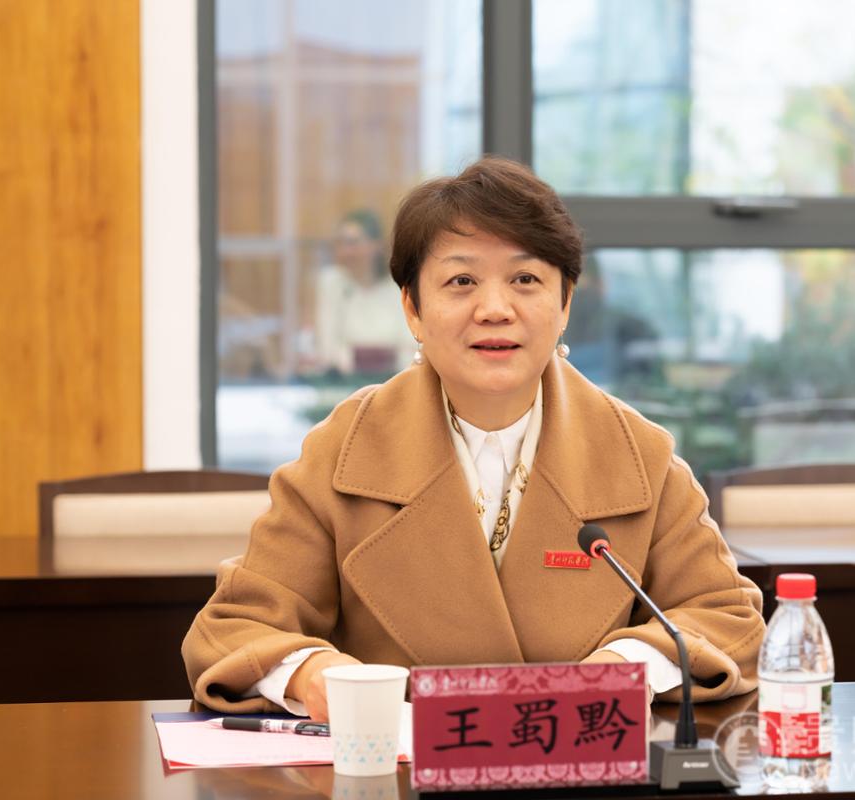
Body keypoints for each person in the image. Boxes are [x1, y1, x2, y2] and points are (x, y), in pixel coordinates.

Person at [183, 157, 764, 721]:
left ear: (565, 303)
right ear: (413, 309)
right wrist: (311, 674)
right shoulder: (343, 450)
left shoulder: (639, 453)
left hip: (580, 767)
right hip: (392, 768)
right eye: (461, 281)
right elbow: (236, 627)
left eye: (525, 279)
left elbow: (725, 617)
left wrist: (627, 667)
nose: (494, 309)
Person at [314, 209, 410, 374]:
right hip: (345, 380)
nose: (345, 251)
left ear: (376, 245)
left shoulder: (400, 284)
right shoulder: (331, 283)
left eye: (353, 243)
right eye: (340, 243)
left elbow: (410, 348)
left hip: (395, 378)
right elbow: (327, 348)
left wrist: (361, 356)